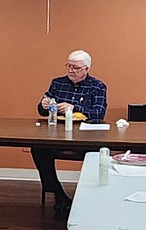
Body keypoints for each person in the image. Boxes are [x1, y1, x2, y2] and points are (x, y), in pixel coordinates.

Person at [31, 49, 107, 216]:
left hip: (85, 137)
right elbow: (41, 111)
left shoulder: (97, 86)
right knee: (38, 149)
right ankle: (59, 194)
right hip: (57, 135)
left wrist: (74, 109)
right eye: (69, 66)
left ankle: (89, 198)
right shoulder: (57, 83)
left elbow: (99, 114)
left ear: (86, 69)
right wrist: (44, 104)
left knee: (98, 153)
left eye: (76, 68)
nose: (71, 70)